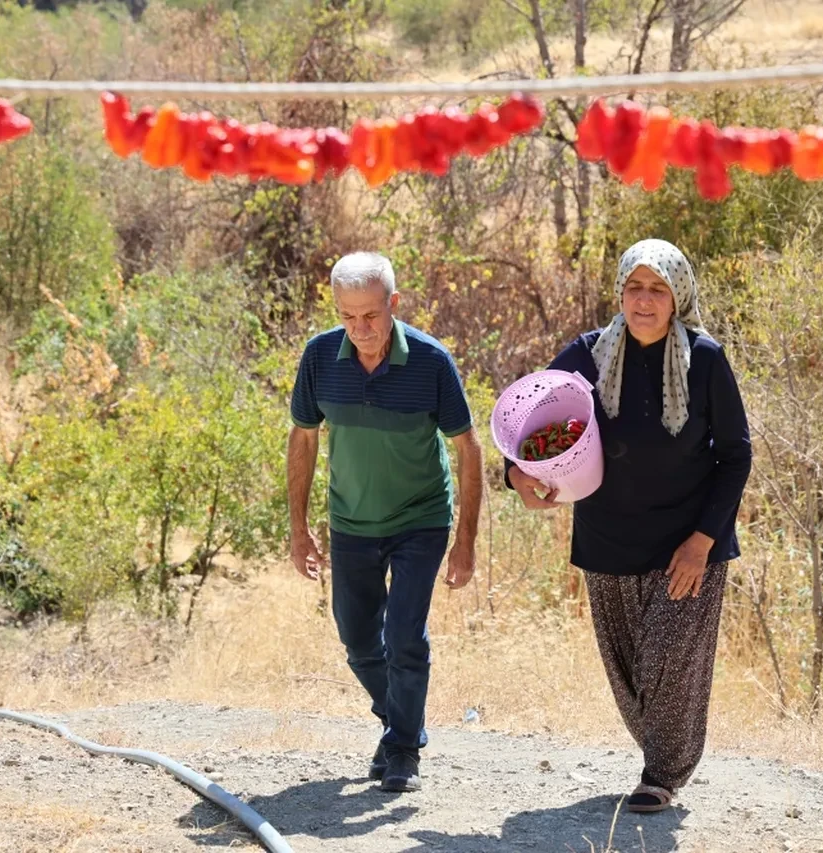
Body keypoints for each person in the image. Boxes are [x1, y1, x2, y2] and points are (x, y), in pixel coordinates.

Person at [506, 239, 751, 813]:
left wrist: (703, 542)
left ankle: (661, 774)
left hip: (688, 545)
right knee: (629, 672)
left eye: (658, 288)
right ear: (620, 292)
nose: (645, 300)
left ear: (677, 295)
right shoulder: (585, 355)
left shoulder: (705, 359)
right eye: (634, 287)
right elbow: (534, 426)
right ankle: (664, 751)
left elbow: (735, 456)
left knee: (668, 661)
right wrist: (517, 476)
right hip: (607, 540)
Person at [287, 251, 484, 794]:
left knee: (403, 636)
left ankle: (401, 751)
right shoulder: (320, 357)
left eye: (370, 316)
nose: (360, 329)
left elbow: (468, 450)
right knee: (358, 640)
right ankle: (405, 724)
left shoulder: (429, 361)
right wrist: (299, 528)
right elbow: (303, 438)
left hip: (420, 519)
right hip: (351, 520)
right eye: (347, 317)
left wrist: (464, 541)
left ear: (393, 305)